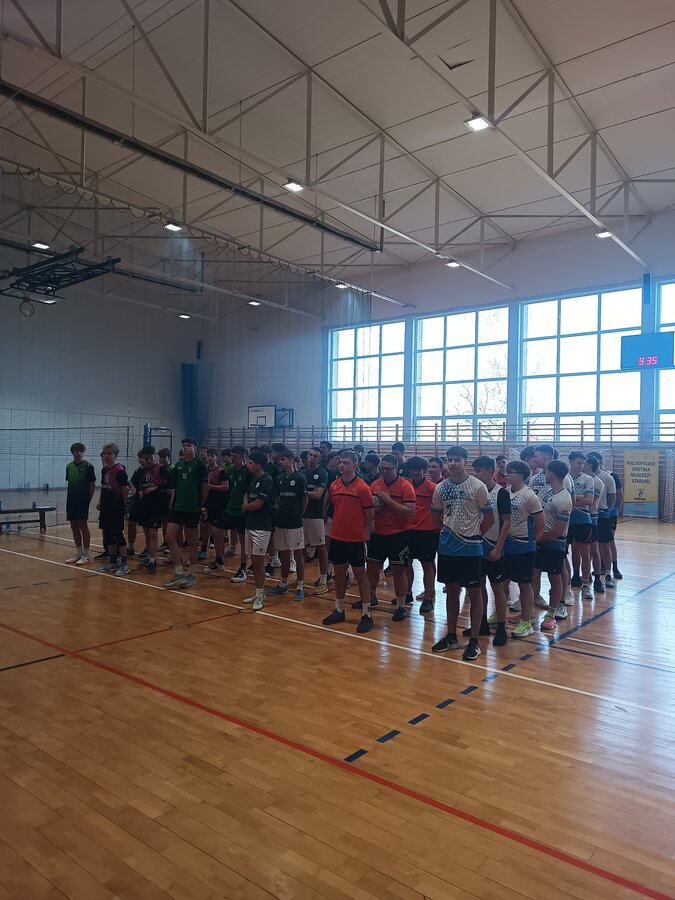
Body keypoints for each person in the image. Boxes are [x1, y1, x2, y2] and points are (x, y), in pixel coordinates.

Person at [431, 446, 495, 661]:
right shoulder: (441, 488)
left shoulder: (477, 486)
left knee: (474, 592)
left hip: (471, 550)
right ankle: (451, 636)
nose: (453, 463)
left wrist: (473, 535)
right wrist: (446, 534)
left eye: (457, 459)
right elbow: (435, 517)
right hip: (447, 549)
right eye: (450, 460)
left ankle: (474, 640)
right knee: (452, 591)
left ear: (466, 461)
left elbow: (489, 518)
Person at [322, 450, 374, 633]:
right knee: (339, 574)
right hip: (337, 538)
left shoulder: (362, 488)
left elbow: (369, 514)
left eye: (346, 463)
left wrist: (360, 530)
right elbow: (333, 506)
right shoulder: (335, 485)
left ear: (355, 466)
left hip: (355, 540)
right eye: (340, 462)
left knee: (360, 575)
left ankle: (366, 614)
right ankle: (339, 609)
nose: (341, 465)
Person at [364, 453, 415, 621]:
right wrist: (375, 510)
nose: (384, 471)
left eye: (388, 469)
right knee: (372, 567)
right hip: (378, 533)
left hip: (399, 534)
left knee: (398, 570)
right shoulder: (375, 485)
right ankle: (371, 597)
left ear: (396, 468)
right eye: (382, 468)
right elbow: (370, 508)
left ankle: (401, 606)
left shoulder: (405, 486)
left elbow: (409, 512)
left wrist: (388, 501)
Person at [471, 456, 511, 646]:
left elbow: (507, 521)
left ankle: (502, 627)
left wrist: (498, 547)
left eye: (478, 471)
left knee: (497, 588)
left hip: (494, 546)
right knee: (478, 587)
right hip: (476, 546)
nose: (476, 475)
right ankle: (482, 623)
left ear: (489, 471)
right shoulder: (474, 490)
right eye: (474, 471)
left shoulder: (501, 493)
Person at [503, 460, 544, 638]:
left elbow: (540, 523)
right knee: (502, 582)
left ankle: (526, 621)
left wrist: (532, 541)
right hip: (506, 545)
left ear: (520, 475)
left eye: (510, 472)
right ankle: (500, 615)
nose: (506, 475)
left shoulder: (529, 496)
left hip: (524, 547)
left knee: (524, 584)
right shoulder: (505, 492)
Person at [163, 437, 209, 590]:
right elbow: (175, 487)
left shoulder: (199, 466)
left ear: (195, 448)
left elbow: (205, 488)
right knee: (170, 537)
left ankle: (192, 574)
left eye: (188, 446)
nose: (185, 448)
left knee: (192, 542)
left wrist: (200, 505)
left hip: (192, 509)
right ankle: (178, 572)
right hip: (178, 508)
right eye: (183, 446)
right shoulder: (178, 465)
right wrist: (172, 502)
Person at [534, 460, 573, 632]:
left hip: (554, 544)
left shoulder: (564, 498)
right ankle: (529, 613)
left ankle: (551, 614)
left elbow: (558, 531)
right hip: (541, 541)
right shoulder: (551, 492)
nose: (545, 474)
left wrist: (537, 538)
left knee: (554, 578)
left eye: (547, 471)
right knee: (533, 575)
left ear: (552, 474)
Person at [266, 449, 308, 600]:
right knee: (283, 553)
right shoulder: (279, 478)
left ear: (291, 459)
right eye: (280, 460)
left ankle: (300, 586)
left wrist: (298, 514)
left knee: (298, 554)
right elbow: (277, 498)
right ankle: (283, 584)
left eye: (283, 459)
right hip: (281, 521)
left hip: (294, 522)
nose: (280, 462)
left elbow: (305, 500)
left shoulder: (299, 478)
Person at [242, 450, 275, 610]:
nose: (247, 465)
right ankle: (257, 592)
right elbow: (247, 496)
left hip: (262, 526)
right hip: (250, 524)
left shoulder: (267, 480)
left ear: (259, 465)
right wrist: (246, 504)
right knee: (254, 561)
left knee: (259, 561)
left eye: (250, 463)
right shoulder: (253, 479)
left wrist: (244, 507)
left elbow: (257, 504)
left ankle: (261, 595)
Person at [405, 456, 438, 614]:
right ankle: (407, 593)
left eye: (418, 469)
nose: (415, 472)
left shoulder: (432, 488)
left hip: (426, 532)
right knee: (406, 563)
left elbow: (440, 509)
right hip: (408, 530)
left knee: (427, 565)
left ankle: (428, 598)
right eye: (413, 469)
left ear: (424, 470)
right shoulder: (406, 485)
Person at [131, 446, 168, 574]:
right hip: (144, 504)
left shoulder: (161, 469)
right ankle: (149, 557)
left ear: (155, 456)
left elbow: (170, 483)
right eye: (146, 458)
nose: (148, 460)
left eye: (151, 457)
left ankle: (153, 560)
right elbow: (134, 483)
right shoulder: (141, 471)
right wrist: (139, 491)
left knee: (153, 533)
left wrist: (155, 488)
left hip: (156, 505)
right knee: (147, 532)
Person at [298, 447, 329, 594]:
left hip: (315, 515)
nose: (311, 458)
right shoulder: (301, 473)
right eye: (310, 455)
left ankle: (323, 580)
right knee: (301, 547)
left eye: (315, 456)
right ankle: (300, 579)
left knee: (320, 547)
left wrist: (302, 493)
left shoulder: (322, 473)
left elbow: (318, 495)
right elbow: (312, 493)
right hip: (301, 515)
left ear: (319, 459)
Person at [97, 442, 130, 577]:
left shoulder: (119, 470)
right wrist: (100, 501)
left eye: (109, 454)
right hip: (106, 507)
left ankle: (124, 564)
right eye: (105, 454)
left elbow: (125, 488)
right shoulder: (104, 470)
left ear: (115, 455)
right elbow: (104, 487)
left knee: (118, 534)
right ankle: (113, 561)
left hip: (116, 507)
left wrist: (123, 503)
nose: (106, 456)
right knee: (108, 534)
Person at [218, 446, 251, 582]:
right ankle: (218, 561)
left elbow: (249, 490)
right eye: (231, 455)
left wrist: (246, 505)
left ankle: (242, 569)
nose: (232, 458)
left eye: (235, 456)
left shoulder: (248, 472)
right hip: (230, 508)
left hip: (241, 511)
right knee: (217, 531)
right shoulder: (229, 470)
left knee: (243, 541)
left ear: (243, 458)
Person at [567, 451, 595, 600]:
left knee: (586, 553)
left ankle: (586, 585)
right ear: (571, 461)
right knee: (570, 551)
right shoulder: (565, 477)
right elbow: (560, 498)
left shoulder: (588, 479)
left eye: (583, 463)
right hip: (567, 520)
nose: (581, 466)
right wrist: (579, 497)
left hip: (583, 519)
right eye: (578, 463)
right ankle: (573, 578)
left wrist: (570, 500)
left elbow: (589, 500)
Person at [587, 451, 617, 588]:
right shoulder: (585, 478)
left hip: (603, 515)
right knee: (589, 546)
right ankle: (588, 573)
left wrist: (607, 510)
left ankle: (608, 574)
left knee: (605, 545)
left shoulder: (607, 477)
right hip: (589, 515)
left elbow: (613, 496)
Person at [64, 442, 96, 565]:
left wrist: (88, 500)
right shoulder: (69, 466)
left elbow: (92, 485)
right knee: (73, 525)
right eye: (76, 451)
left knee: (83, 524)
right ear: (72, 453)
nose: (79, 453)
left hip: (83, 500)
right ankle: (79, 553)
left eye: (81, 451)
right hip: (71, 500)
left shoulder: (89, 466)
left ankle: (86, 555)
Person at [202, 449, 230, 572]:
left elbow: (226, 486)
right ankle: (203, 550)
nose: (209, 458)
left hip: (218, 505)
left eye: (212, 455)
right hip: (206, 503)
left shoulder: (221, 471)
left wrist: (211, 486)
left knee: (217, 532)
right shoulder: (204, 470)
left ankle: (220, 559)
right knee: (204, 527)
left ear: (216, 457)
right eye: (208, 456)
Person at [609, 468, 623, 579]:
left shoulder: (613, 476)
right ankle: (602, 566)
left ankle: (615, 567)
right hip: (597, 514)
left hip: (611, 514)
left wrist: (616, 512)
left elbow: (620, 496)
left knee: (610, 540)